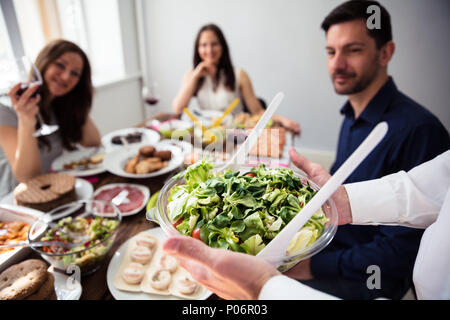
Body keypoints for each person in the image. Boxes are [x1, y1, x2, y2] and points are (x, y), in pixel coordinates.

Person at [282, 0, 450, 300]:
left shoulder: (420, 130)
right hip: (331, 250)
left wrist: (312, 266)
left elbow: (399, 255)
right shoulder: (350, 117)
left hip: (370, 280)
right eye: (331, 52)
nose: (337, 63)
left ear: (385, 53)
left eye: (353, 50)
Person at [163, 147, 450, 300]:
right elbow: (437, 184)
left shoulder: (420, 132)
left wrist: (264, 288)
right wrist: (344, 200)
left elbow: (396, 252)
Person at [0, 39, 101, 199]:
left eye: (75, 73)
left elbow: (93, 142)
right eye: (60, 65)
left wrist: (78, 103)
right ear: (44, 63)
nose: (66, 76)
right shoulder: (5, 109)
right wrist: (26, 121)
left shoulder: (57, 104)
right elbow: (27, 178)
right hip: (19, 198)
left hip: (56, 190)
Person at [172, 23, 300, 134]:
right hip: (206, 135)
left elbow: (257, 111)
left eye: (214, 44)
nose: (209, 49)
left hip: (234, 135)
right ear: (197, 48)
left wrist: (283, 120)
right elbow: (177, 109)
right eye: (204, 45)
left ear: (222, 46)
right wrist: (195, 76)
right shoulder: (192, 75)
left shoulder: (239, 74)